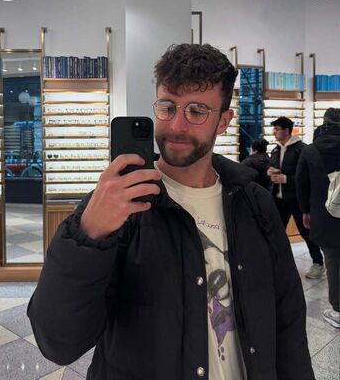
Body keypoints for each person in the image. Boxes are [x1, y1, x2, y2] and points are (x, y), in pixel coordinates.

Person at [28, 44, 314, 380]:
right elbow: (58, 343)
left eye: (196, 111)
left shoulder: (255, 203)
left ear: (223, 121)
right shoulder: (119, 205)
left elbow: (287, 318)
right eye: (167, 107)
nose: (177, 125)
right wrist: (87, 235)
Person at [296, 108, 340, 328]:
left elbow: (301, 182)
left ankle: (338, 310)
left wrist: (305, 211)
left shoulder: (311, 150)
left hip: (324, 215)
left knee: (333, 260)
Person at [267, 116, 324, 279]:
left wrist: (286, 179)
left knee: (306, 233)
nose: (274, 132)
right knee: (276, 234)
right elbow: (273, 167)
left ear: (286, 131)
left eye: (277, 129)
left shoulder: (302, 149)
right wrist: (269, 171)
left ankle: (318, 263)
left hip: (298, 200)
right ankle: (276, 264)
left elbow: (308, 177)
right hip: (278, 199)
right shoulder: (276, 149)